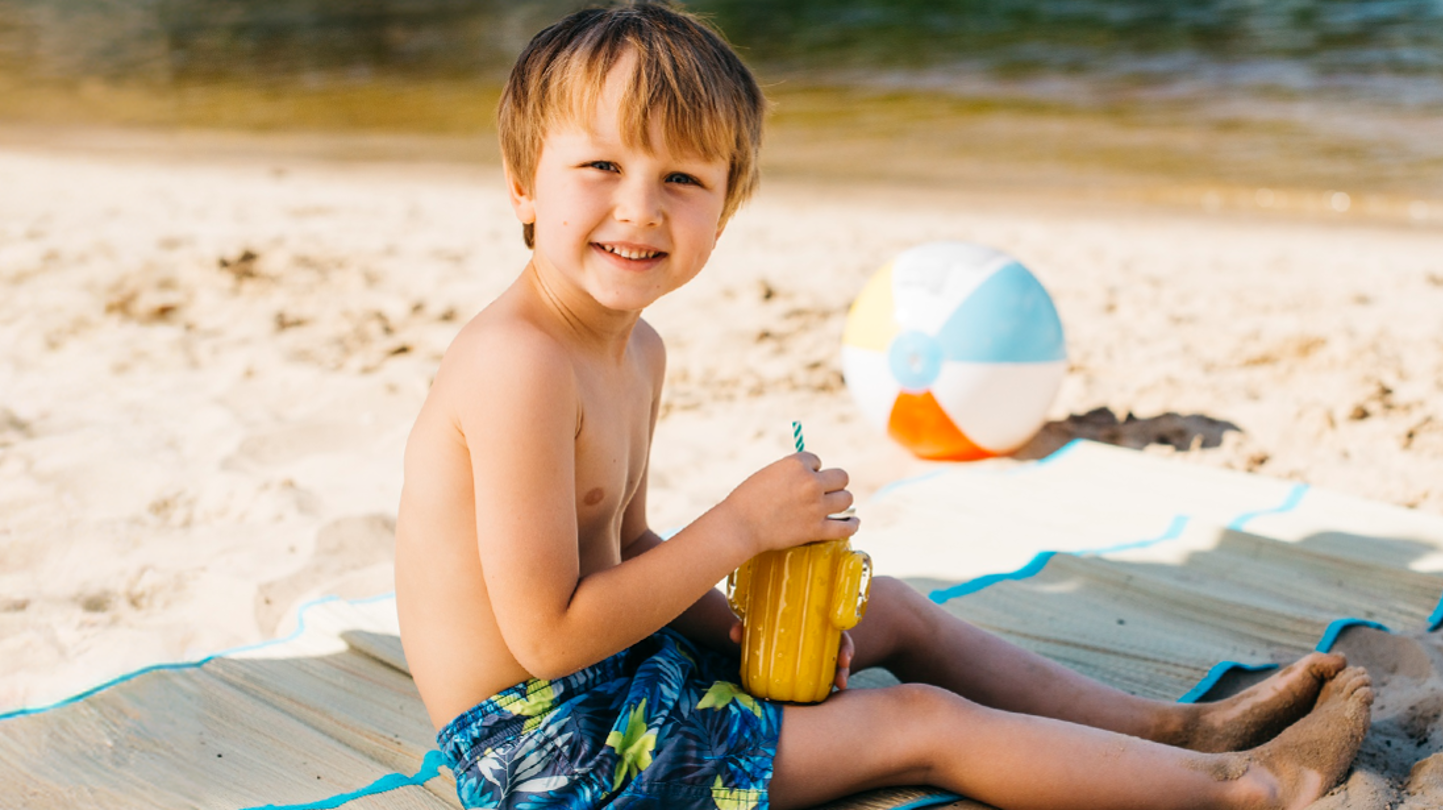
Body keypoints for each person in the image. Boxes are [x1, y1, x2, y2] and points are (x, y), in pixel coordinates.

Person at [393, 5, 1373, 809]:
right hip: (543, 753)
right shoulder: (519, 364)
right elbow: (547, 639)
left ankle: (1173, 726)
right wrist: (738, 528)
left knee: (888, 609)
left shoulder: (633, 346)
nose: (640, 207)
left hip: (607, 683)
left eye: (681, 178)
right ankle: (1240, 789)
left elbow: (632, 544)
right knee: (917, 728)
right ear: (524, 187)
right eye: (600, 167)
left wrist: (737, 634)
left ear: (723, 213)